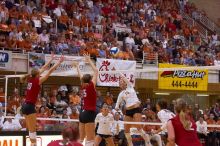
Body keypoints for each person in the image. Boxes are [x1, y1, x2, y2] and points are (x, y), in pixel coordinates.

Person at [20, 54, 64, 146]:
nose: (41, 73)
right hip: (30, 106)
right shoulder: (37, 81)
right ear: (38, 74)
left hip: (24, 106)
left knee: (31, 130)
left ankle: (33, 144)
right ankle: (33, 144)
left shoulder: (30, 78)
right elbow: (50, 71)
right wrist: (59, 62)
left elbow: (43, 68)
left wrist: (51, 59)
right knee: (32, 130)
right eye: (39, 73)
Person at [72, 54, 98, 146]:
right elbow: (96, 70)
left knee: (81, 138)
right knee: (90, 140)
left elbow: (80, 75)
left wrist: (77, 66)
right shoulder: (91, 85)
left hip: (82, 113)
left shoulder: (83, 85)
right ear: (90, 80)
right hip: (90, 113)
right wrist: (89, 60)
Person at [115, 73, 143, 146]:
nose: (121, 83)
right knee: (126, 131)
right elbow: (116, 106)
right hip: (128, 110)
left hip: (136, 108)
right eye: (119, 82)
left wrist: (117, 71)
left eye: (122, 82)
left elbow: (124, 77)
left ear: (125, 83)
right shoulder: (121, 94)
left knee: (139, 127)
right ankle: (130, 145)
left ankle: (148, 142)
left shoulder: (130, 86)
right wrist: (119, 108)